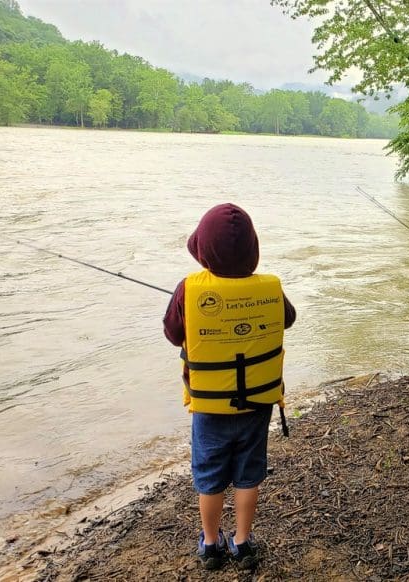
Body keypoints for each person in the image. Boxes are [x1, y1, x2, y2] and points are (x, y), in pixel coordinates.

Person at [163, 203, 297, 570]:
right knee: (248, 473)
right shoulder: (269, 288)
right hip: (258, 404)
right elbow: (288, 318)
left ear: (202, 250)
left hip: (210, 407)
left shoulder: (187, 290)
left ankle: (209, 543)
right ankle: (241, 542)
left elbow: (173, 335)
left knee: (210, 477)